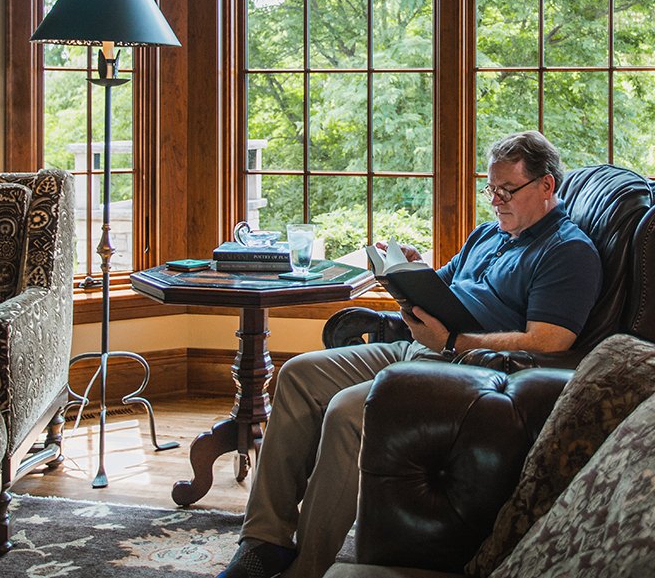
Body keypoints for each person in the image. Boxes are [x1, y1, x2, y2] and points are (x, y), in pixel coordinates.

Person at [217, 131, 602, 578]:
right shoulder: (489, 234)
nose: (495, 200)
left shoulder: (568, 252)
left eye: (506, 190)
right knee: (299, 374)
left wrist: (455, 344)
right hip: (422, 346)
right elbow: (446, 286)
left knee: (346, 411)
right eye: (491, 189)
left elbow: (550, 341)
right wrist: (410, 274)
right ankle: (265, 542)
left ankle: (308, 566)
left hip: (463, 369)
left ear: (546, 186)